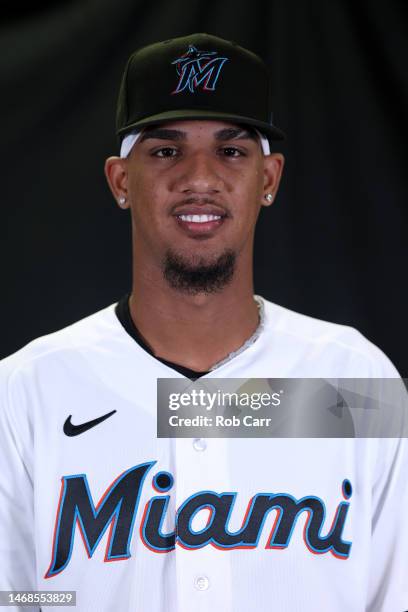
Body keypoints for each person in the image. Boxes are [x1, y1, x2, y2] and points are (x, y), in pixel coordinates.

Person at [0, 33, 406, 612]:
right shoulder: (26, 391)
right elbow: (17, 599)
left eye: (232, 151)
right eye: (165, 150)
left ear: (269, 178)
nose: (200, 177)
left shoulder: (355, 380)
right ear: (120, 181)